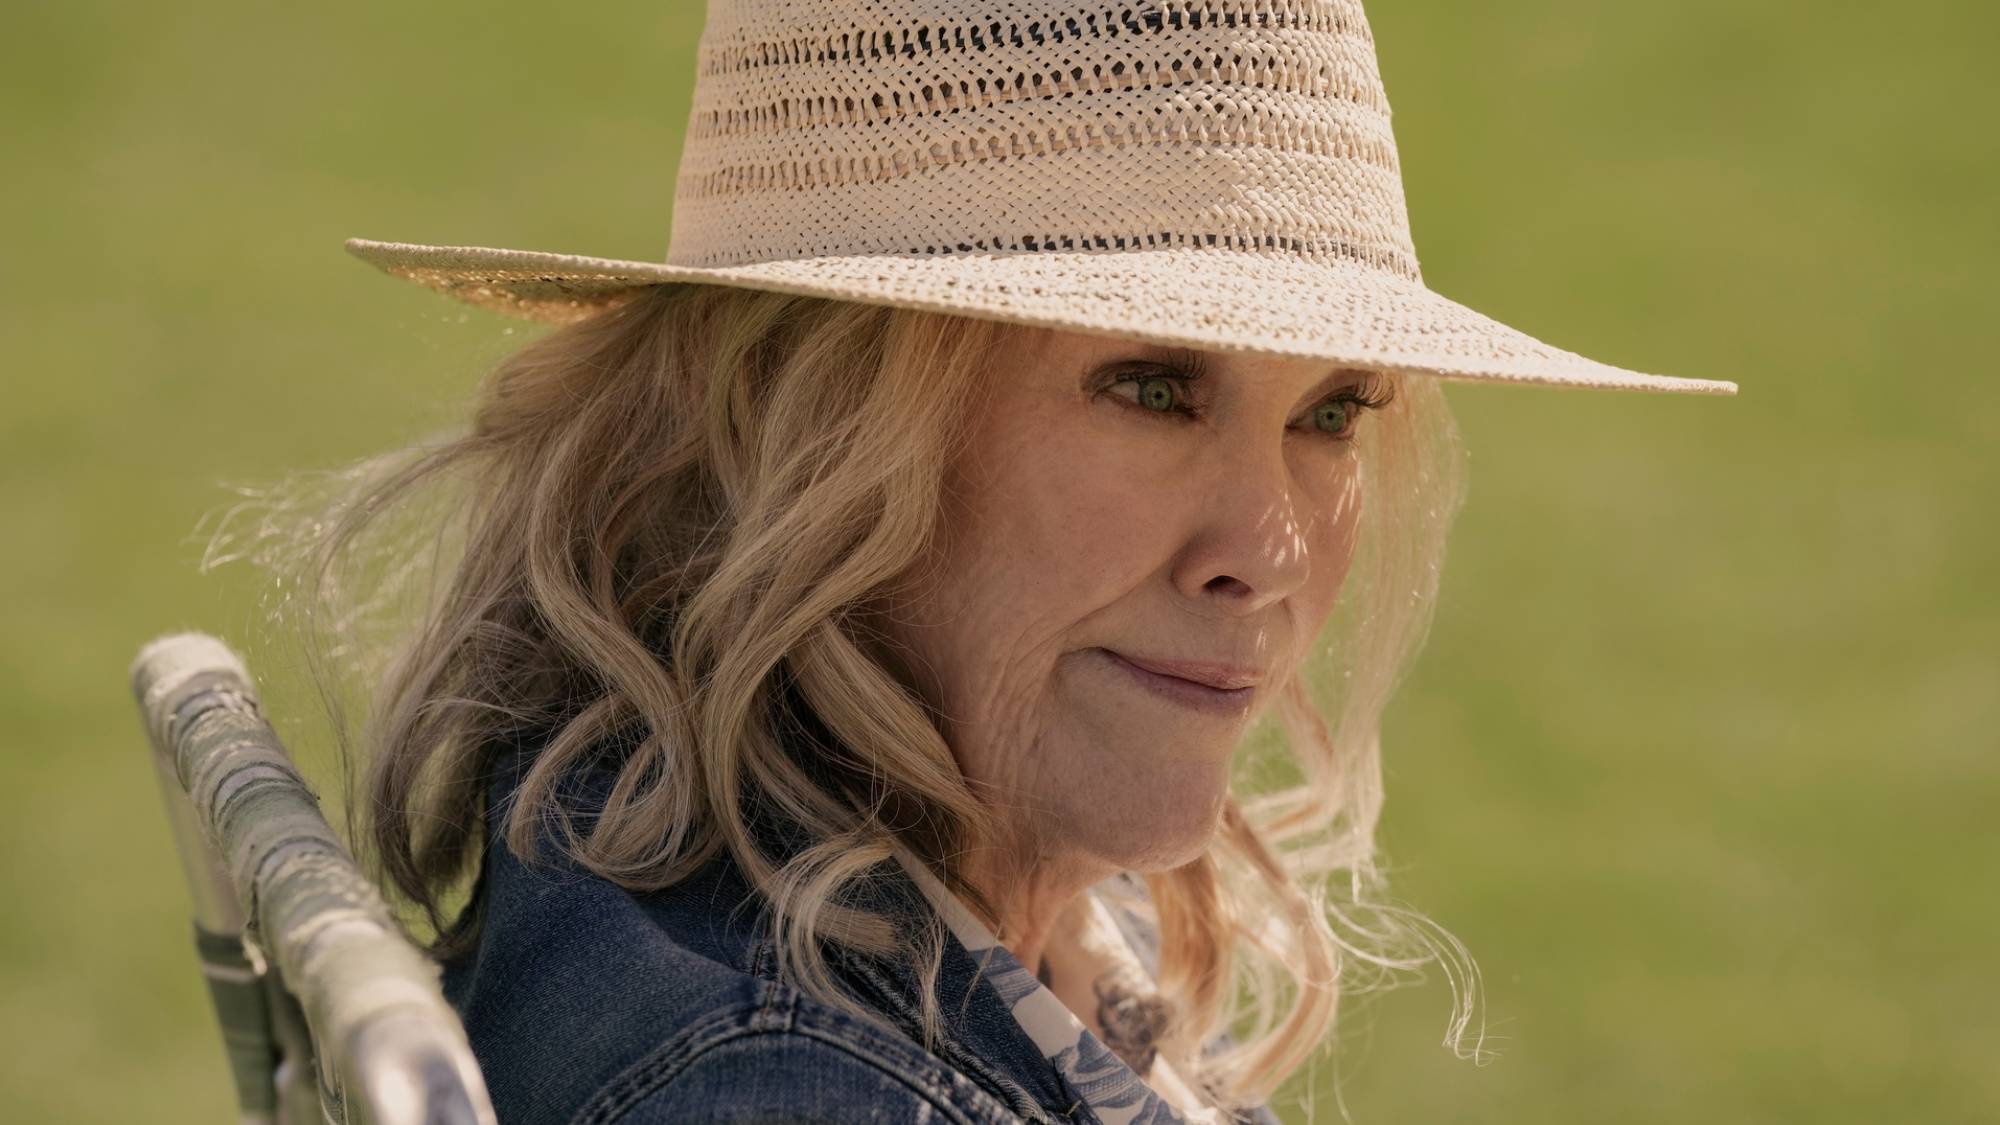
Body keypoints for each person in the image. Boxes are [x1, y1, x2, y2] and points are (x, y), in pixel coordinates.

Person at [249, 1, 1735, 1121]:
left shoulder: (689, 849)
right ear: (802, 422)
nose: (1270, 552)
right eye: (1152, 387)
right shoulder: (792, 1082)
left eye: (1334, 413)